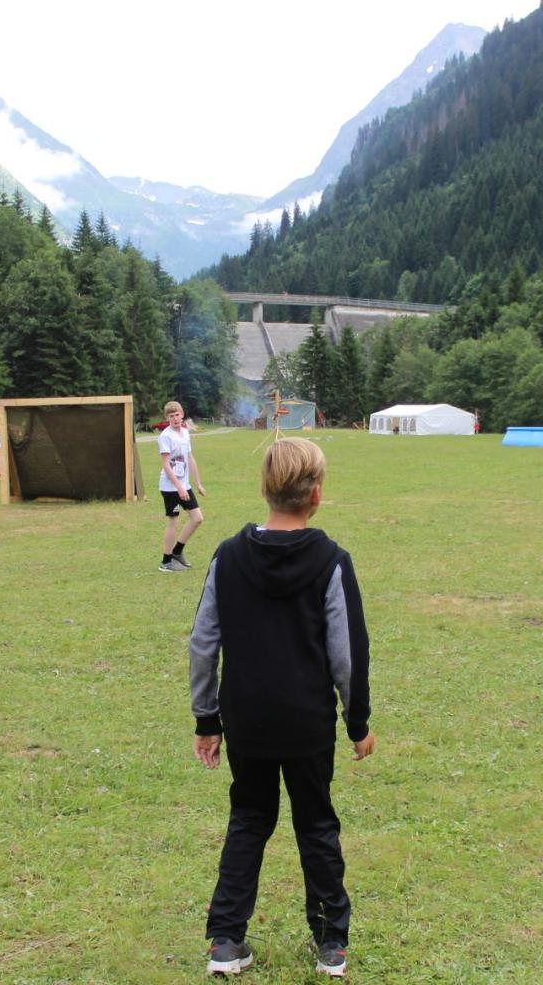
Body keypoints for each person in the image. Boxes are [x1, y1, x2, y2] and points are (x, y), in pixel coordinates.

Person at [189, 437, 372, 978]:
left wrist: (207, 718)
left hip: (246, 720)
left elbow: (203, 643)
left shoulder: (227, 557)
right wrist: (357, 720)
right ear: (316, 494)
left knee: (249, 819)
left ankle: (226, 940)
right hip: (306, 723)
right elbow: (347, 653)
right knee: (316, 825)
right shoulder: (332, 561)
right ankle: (330, 943)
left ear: (265, 489)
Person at [157, 401, 206, 573]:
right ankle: (166, 562)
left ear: (182, 414)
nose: (175, 418)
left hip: (184, 485)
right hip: (170, 487)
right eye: (171, 416)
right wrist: (179, 487)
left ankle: (177, 552)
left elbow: (190, 458)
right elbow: (166, 464)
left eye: (177, 415)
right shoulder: (165, 436)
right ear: (167, 418)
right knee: (173, 521)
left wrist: (198, 483)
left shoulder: (185, 432)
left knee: (197, 518)